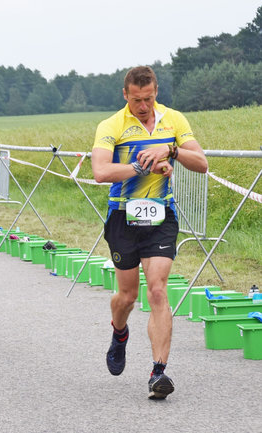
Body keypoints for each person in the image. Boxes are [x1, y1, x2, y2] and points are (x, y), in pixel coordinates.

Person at [91, 66, 208, 400]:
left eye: (149, 98)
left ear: (156, 92)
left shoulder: (174, 120)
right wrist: (140, 166)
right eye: (137, 100)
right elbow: (100, 171)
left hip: (160, 216)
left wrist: (171, 151)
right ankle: (119, 332)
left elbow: (201, 163)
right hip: (123, 217)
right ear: (125, 95)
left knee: (157, 290)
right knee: (127, 296)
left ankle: (158, 372)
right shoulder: (112, 125)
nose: (143, 106)